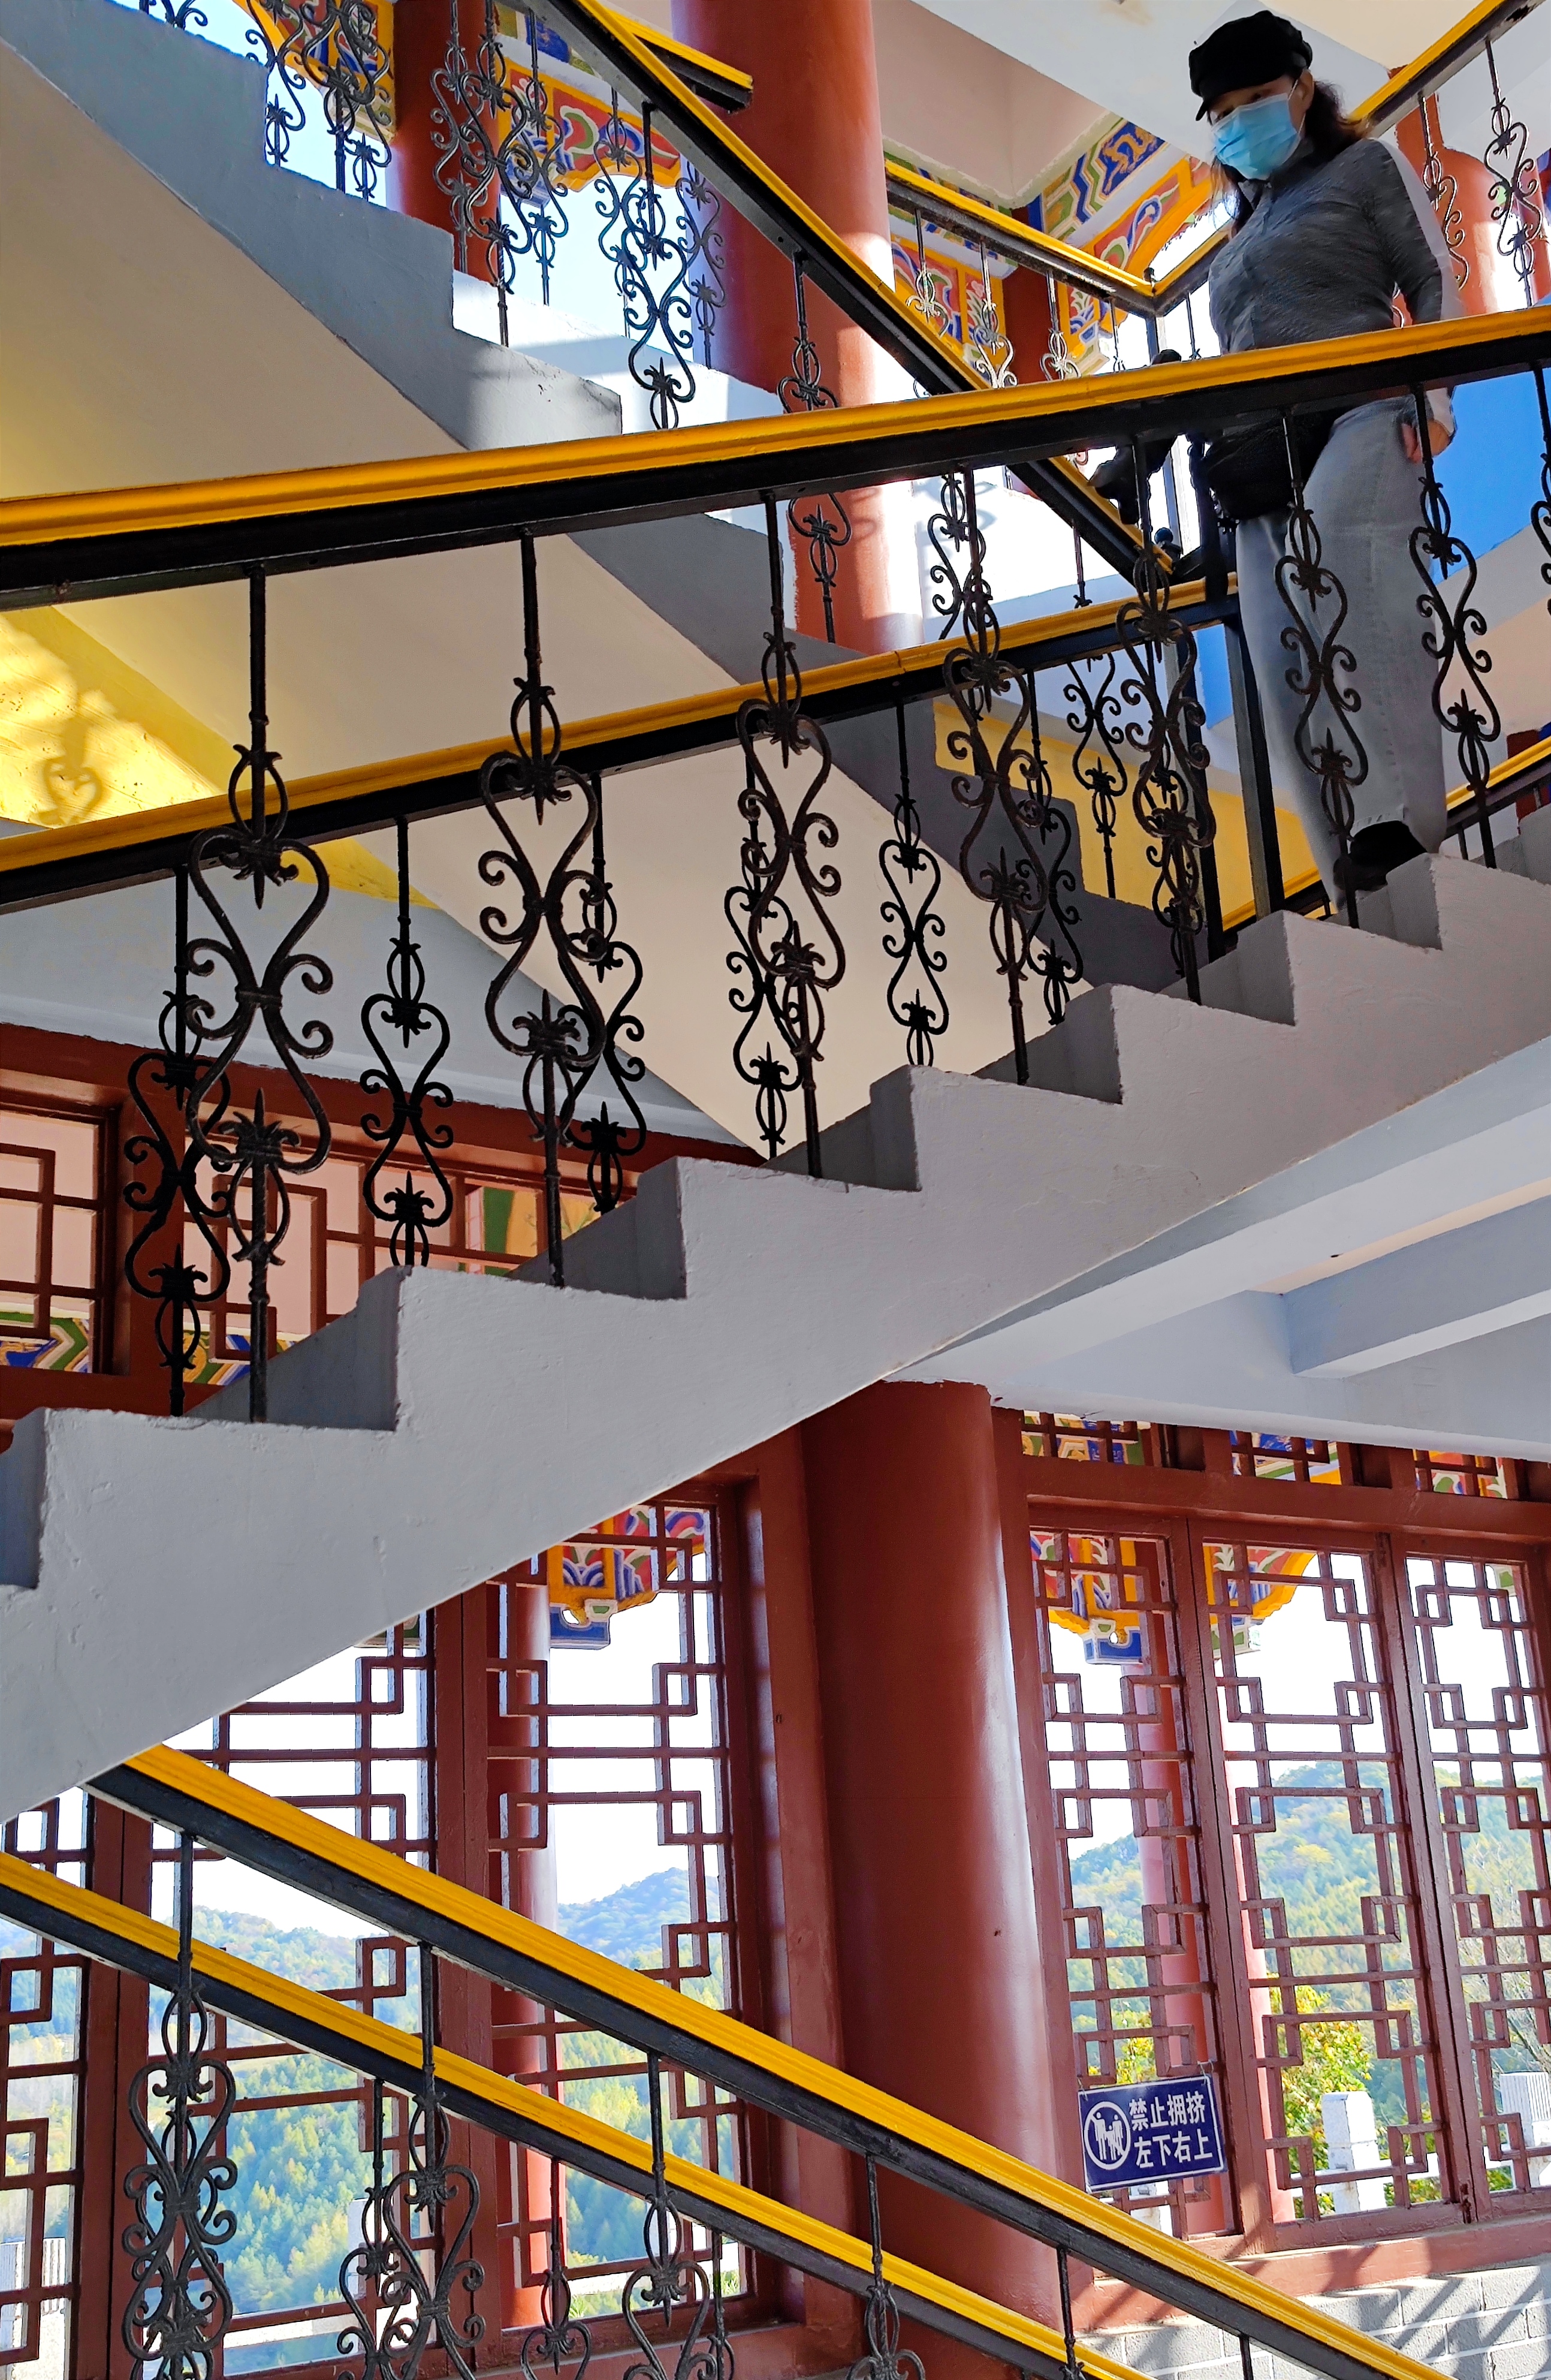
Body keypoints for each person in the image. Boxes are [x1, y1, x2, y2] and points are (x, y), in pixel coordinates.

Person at [1189, 9, 1464, 902]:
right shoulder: (1238, 237)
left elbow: (1431, 275)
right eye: (1223, 113)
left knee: (1349, 565)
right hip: (1263, 451)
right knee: (1279, 648)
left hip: (1365, 409)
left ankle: (1403, 822)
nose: (1240, 122)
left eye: (1258, 98)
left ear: (1304, 88)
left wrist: (1435, 394)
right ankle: (1344, 859)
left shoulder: (1364, 167)